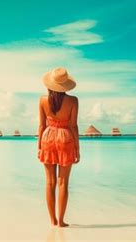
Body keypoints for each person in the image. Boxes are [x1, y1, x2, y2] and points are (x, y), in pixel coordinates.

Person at [38, 67, 80, 227]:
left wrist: (39, 146)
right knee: (63, 182)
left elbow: (41, 125)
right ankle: (61, 221)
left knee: (49, 182)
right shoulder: (73, 101)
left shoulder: (42, 100)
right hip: (65, 139)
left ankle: (52, 220)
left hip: (47, 138)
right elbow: (74, 126)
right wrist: (77, 148)